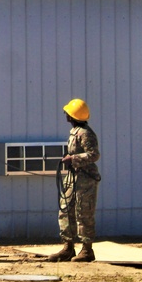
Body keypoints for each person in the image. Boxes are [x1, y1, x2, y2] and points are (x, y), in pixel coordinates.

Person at [46, 98, 101, 263]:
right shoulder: (75, 132)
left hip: (85, 179)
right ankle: (68, 247)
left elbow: (94, 154)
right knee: (65, 210)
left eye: (67, 112)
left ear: (72, 115)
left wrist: (74, 158)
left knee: (83, 213)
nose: (65, 115)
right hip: (73, 177)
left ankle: (87, 250)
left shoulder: (85, 133)